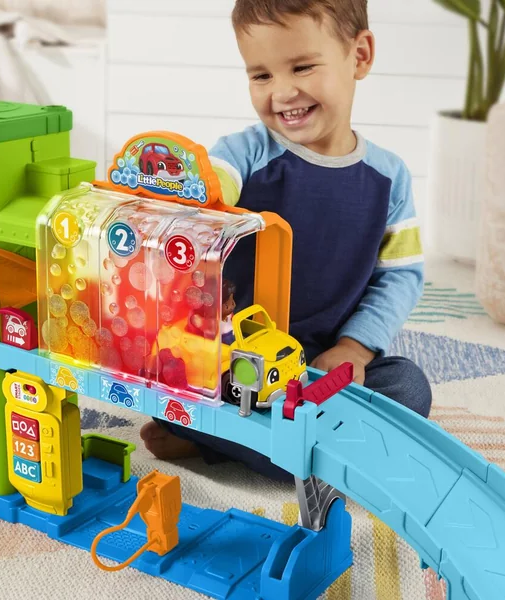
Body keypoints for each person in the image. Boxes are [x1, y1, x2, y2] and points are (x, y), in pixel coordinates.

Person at [141, 0, 432, 481]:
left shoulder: (389, 178)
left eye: (302, 67)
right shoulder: (244, 153)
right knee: (167, 381)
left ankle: (239, 442)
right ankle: (288, 447)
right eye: (261, 75)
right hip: (233, 361)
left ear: (359, 56)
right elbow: (215, 180)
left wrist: (354, 349)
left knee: (409, 387)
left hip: (321, 366)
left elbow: (399, 277)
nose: (281, 92)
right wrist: (202, 193)